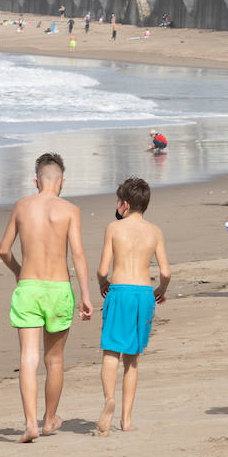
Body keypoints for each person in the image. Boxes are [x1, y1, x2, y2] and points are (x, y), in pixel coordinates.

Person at [0, 153, 93, 443]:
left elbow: (3, 250)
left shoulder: (22, 206)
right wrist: (86, 295)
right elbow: (77, 254)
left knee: (29, 357)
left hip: (28, 287)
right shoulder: (69, 210)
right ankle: (49, 419)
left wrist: (17, 271)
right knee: (55, 360)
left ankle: (29, 424)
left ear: (36, 181)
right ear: (61, 182)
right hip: (59, 288)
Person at [95, 177, 171, 435]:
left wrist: (102, 284)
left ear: (124, 205)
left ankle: (109, 400)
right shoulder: (155, 231)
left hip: (120, 291)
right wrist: (162, 290)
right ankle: (126, 420)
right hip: (143, 293)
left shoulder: (114, 229)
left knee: (110, 352)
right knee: (132, 360)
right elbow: (166, 271)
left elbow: (103, 269)